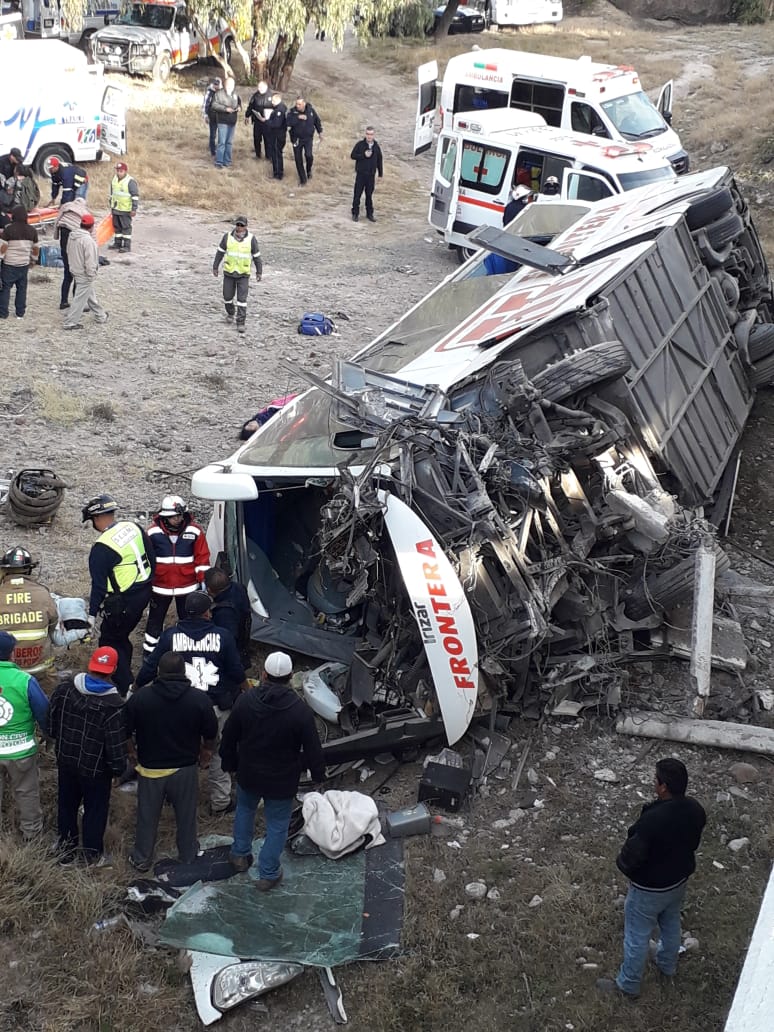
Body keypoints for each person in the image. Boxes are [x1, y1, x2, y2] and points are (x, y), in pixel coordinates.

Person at [597, 757, 707, 998]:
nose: (652, 783)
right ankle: (667, 964)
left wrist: (626, 868)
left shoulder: (652, 820)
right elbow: (694, 842)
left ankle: (628, 985)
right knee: (670, 922)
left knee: (637, 935)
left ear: (664, 786)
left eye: (655, 780)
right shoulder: (695, 809)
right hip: (678, 881)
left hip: (649, 889)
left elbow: (632, 854)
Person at [135, 591, 248, 815]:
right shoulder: (223, 636)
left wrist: (137, 686)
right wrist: (249, 691)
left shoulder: (170, 636)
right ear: (208, 612)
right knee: (217, 752)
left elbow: (151, 666)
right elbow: (236, 672)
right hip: (215, 705)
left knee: (178, 752)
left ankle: (174, 797)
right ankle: (220, 802)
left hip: (179, 708)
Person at [220, 651, 325, 888]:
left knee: (245, 811)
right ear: (289, 677)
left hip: (249, 773)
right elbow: (313, 749)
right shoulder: (299, 711)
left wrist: (229, 763)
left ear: (263, 674)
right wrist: (318, 776)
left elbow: (229, 736)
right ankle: (268, 874)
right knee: (277, 824)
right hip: (282, 779)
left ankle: (239, 854)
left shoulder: (245, 701)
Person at [124, 651, 218, 872]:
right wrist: (206, 753)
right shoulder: (199, 699)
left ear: (159, 671)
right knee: (186, 816)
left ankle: (142, 859)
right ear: (184, 672)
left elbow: (125, 731)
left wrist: (131, 752)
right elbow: (211, 733)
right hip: (185, 768)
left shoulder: (141, 698)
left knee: (147, 816)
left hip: (151, 769)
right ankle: (188, 855)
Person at [47, 645, 128, 867]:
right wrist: (119, 769)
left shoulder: (64, 689)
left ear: (90, 665)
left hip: (65, 760)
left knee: (66, 805)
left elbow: (51, 723)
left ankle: (65, 852)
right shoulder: (114, 706)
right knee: (95, 811)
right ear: (112, 671)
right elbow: (115, 744)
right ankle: (92, 857)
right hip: (96, 771)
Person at [83, 493, 155, 696]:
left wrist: (92, 614)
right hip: (144, 590)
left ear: (97, 519)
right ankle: (126, 670)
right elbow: (151, 555)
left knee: (110, 641)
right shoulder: (133, 527)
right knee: (122, 637)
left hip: (123, 602)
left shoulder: (101, 548)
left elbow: (98, 585)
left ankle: (125, 687)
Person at [144, 495, 210, 656]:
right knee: (155, 621)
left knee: (188, 620)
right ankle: (150, 653)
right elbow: (145, 558)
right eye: (174, 516)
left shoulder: (194, 531)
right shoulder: (152, 533)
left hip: (188, 587)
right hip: (160, 587)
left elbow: (202, 558)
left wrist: (203, 583)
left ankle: (187, 651)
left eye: (180, 515)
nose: (178, 519)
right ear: (164, 516)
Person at [0, 631, 49, 841]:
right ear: (11, 654)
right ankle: (32, 835)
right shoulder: (25, 680)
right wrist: (49, 734)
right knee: (26, 792)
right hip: (21, 751)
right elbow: (44, 712)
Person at [0, 546, 58, 676]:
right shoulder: (43, 593)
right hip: (41, 670)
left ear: (4, 570)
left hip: (7, 674)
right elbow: (53, 623)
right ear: (29, 570)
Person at [212, 214, 262, 336]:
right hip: (229, 273)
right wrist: (215, 266)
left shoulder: (251, 239)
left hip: (243, 274)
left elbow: (256, 256)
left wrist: (259, 271)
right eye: (237, 225)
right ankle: (230, 313)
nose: (239, 227)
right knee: (227, 297)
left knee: (242, 300)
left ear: (246, 227)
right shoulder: (227, 237)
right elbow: (220, 252)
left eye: (241, 225)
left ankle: (240, 322)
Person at [63, 212, 108, 331]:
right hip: (84, 273)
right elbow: (91, 261)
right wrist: (91, 274)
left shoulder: (72, 236)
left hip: (74, 269)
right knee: (80, 298)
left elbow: (68, 252)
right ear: (92, 227)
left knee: (89, 293)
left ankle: (100, 315)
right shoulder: (88, 241)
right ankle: (70, 322)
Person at [203, 567, 251, 665]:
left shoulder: (224, 613)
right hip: (243, 635)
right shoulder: (239, 588)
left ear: (209, 590)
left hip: (235, 654)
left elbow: (228, 640)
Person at [0, 205, 39, 320]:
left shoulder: (8, 230)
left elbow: (2, 248)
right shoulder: (32, 231)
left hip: (9, 264)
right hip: (24, 264)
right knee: (21, 289)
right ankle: (20, 313)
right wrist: (33, 260)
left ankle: (3, 313)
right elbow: (36, 249)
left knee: (5, 288)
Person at [54, 195, 89, 311]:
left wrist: (56, 236)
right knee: (78, 273)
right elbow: (89, 231)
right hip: (74, 241)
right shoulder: (84, 212)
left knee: (67, 273)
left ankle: (63, 301)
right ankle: (77, 302)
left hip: (63, 237)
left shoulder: (66, 206)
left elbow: (56, 221)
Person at [286, 94, 323, 186]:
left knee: (309, 155)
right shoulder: (292, 112)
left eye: (299, 104)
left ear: (304, 104)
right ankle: (303, 180)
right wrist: (297, 118)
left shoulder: (310, 111)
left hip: (308, 138)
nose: (297, 106)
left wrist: (320, 132)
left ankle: (309, 169)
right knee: (298, 159)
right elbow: (288, 122)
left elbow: (317, 121)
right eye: (296, 104)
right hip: (296, 139)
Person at [350, 125, 383, 223]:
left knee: (369, 195)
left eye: (371, 134)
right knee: (357, 194)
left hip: (371, 175)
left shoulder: (376, 147)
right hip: (361, 174)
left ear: (374, 135)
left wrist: (380, 174)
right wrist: (363, 155)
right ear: (365, 134)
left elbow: (379, 160)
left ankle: (370, 214)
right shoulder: (360, 145)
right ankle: (355, 213)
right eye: (368, 134)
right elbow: (353, 155)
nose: (369, 136)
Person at [211, 76, 242, 170]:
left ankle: (227, 161)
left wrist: (240, 107)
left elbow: (239, 103)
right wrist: (225, 109)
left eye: (232, 84)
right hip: (222, 121)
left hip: (232, 121)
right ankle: (219, 162)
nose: (230, 86)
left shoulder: (235, 94)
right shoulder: (219, 94)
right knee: (222, 142)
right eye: (228, 84)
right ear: (225, 84)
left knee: (229, 142)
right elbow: (214, 105)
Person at [108, 161, 139, 253]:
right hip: (116, 208)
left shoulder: (130, 181)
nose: (118, 173)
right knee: (117, 227)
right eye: (117, 171)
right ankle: (117, 243)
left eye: (121, 171)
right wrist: (111, 205)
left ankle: (126, 246)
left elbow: (135, 196)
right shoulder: (114, 179)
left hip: (126, 209)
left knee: (126, 227)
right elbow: (112, 193)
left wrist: (134, 209)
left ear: (125, 171)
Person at [244, 80, 272, 159]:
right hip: (257, 121)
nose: (259, 89)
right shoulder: (255, 96)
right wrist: (247, 116)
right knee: (256, 138)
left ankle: (268, 156)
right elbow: (250, 106)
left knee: (268, 139)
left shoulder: (271, 95)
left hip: (267, 122)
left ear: (266, 87)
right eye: (258, 87)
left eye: (261, 87)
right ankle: (258, 154)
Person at [264, 91, 287, 181]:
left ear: (278, 100)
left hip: (278, 135)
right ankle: (276, 172)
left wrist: (267, 121)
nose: (272, 103)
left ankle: (278, 174)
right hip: (276, 134)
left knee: (277, 154)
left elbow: (276, 124)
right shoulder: (279, 108)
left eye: (273, 101)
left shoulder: (280, 110)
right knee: (275, 153)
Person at [202, 76, 222, 159]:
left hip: (221, 117)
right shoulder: (209, 92)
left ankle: (220, 151)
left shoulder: (223, 92)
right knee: (212, 135)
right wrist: (205, 115)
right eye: (215, 84)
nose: (216, 86)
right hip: (212, 117)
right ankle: (213, 151)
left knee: (221, 135)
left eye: (217, 84)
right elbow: (205, 104)